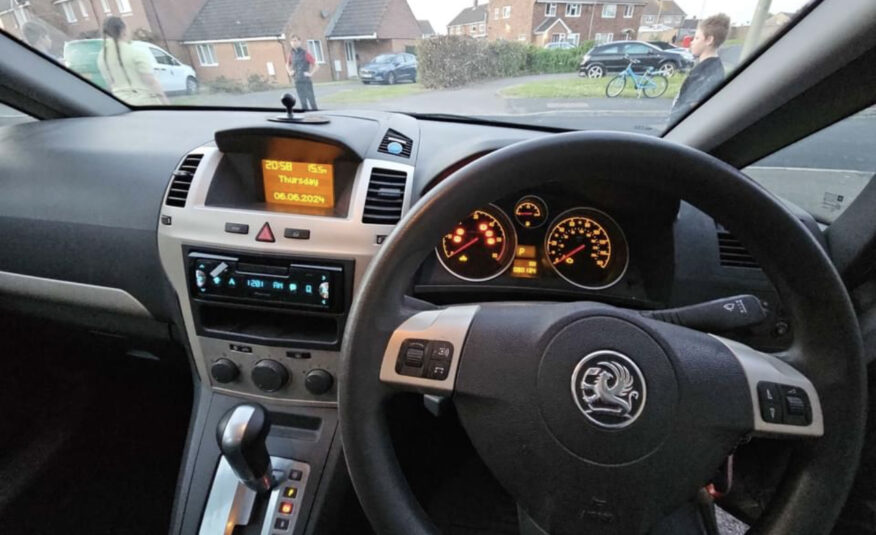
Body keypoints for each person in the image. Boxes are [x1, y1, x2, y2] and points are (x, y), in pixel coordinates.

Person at [669, 14, 730, 125]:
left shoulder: (709, 72)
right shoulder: (706, 67)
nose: (692, 42)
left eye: (697, 38)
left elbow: (693, 108)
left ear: (709, 40)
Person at [97, 16, 168, 105]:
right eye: (128, 27)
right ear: (123, 31)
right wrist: (165, 102)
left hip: (120, 104)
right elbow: (151, 81)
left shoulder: (102, 56)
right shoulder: (136, 53)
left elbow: (110, 82)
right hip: (145, 103)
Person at [286, 36, 320, 111]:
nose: (294, 43)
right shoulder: (291, 54)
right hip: (297, 81)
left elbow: (316, 65)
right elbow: (287, 65)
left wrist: (310, 74)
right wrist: (290, 72)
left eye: (296, 41)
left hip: (306, 81)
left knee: (312, 100)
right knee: (303, 101)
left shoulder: (305, 53)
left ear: (299, 42)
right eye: (292, 41)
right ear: (290, 43)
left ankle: (316, 115)